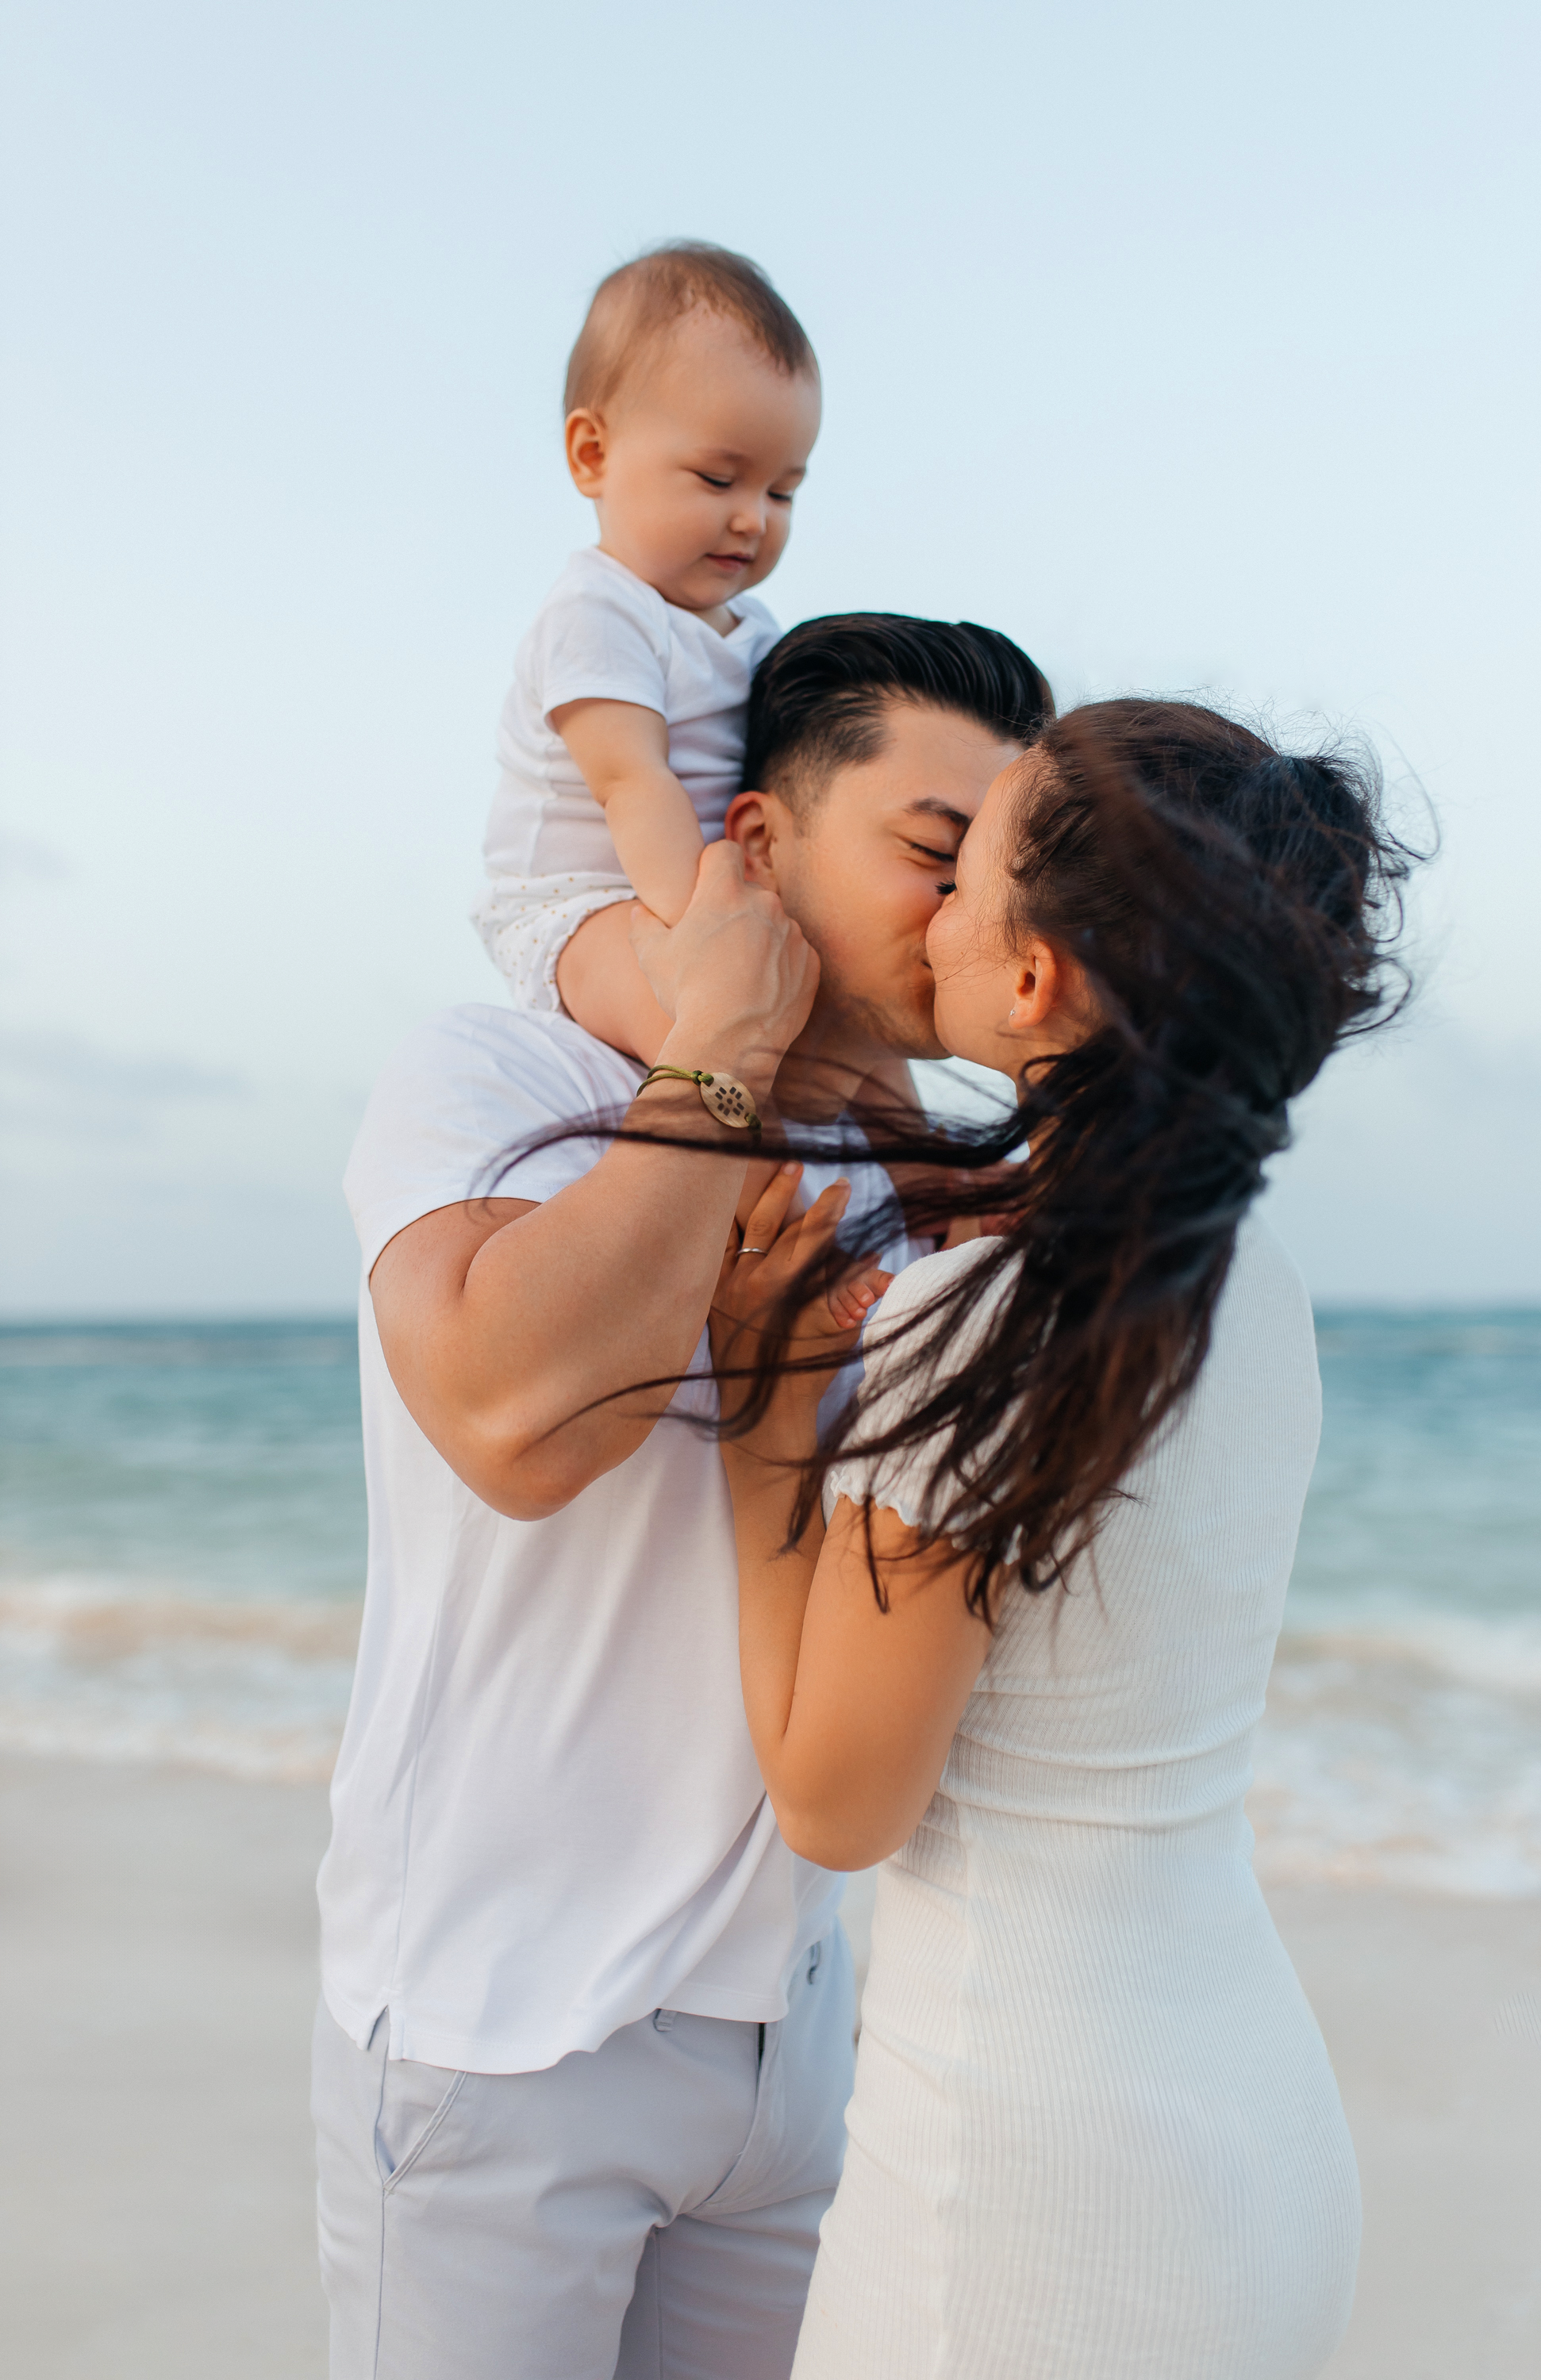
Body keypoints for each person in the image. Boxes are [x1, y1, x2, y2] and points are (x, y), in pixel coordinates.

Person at [310, 614, 1051, 2379]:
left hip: (790, 2036)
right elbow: (510, 1419)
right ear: (760, 848)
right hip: (504, 2029)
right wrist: (716, 1055)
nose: (968, 918)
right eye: (933, 857)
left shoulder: (938, 1186)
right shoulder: (498, 1085)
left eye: (1001, 869)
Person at [706, 701, 1415, 2378]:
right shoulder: (1259, 1290)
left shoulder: (987, 1311)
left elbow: (834, 1801)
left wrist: (768, 1413)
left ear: (1032, 983)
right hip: (1253, 2121)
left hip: (1032, 2177)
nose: (931, 911)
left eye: (962, 873)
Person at [470, 241, 822, 1061]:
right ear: (592, 454)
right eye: (716, 479)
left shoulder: (758, 631)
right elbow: (633, 783)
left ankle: (908, 1163)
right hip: (581, 905)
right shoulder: (597, 612)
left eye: (781, 492)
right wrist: (700, 931)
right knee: (697, 1027)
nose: (752, 519)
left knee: (831, 1004)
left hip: (705, 894)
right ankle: (737, 1166)